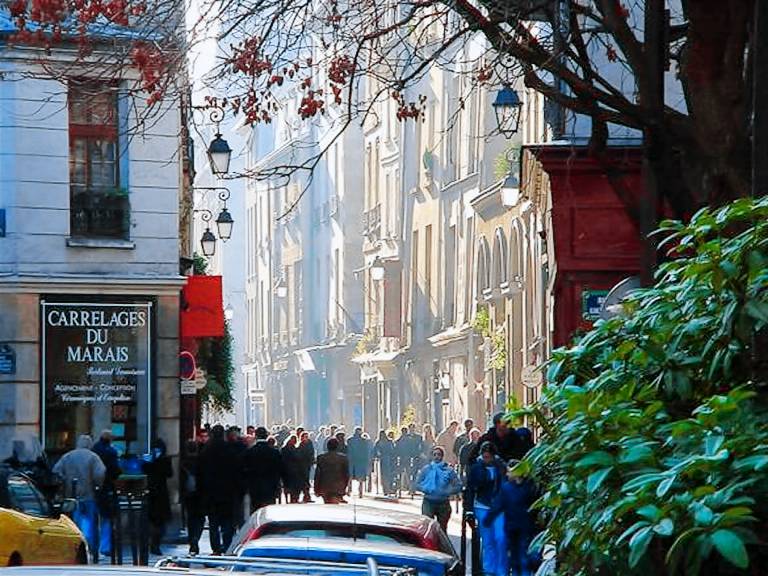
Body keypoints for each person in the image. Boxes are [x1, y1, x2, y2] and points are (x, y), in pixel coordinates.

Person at [53, 435, 106, 559]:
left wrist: (64, 485)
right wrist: (98, 485)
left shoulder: (67, 456)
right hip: (88, 495)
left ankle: (74, 551)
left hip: (71, 496)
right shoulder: (93, 457)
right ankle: (91, 551)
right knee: (91, 526)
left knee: (74, 525)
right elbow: (100, 473)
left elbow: (56, 471)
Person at [485, 461, 538, 576]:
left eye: (509, 472)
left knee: (517, 557)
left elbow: (497, 505)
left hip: (515, 527)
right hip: (523, 526)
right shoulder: (529, 487)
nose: (507, 474)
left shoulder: (508, 488)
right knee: (521, 556)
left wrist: (488, 519)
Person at [464, 441, 508, 576]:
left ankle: (501, 570)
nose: (486, 459)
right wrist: (469, 510)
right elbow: (470, 489)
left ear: (494, 456)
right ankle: (489, 570)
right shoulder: (476, 468)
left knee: (501, 538)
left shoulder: (501, 467)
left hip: (498, 507)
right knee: (487, 540)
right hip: (482, 506)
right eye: (484, 457)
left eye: (488, 457)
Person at [199, 424, 239, 554]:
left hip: (211, 492)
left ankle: (215, 548)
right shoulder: (229, 449)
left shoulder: (206, 450)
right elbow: (236, 471)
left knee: (213, 523)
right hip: (227, 492)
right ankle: (227, 545)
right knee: (227, 522)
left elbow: (201, 472)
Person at [415, 446, 462, 531]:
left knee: (442, 529)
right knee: (428, 528)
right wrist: (425, 489)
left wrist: (447, 492)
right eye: (435, 454)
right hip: (428, 501)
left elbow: (458, 485)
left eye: (439, 454)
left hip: (443, 503)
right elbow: (417, 484)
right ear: (432, 456)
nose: (437, 456)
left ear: (442, 456)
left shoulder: (448, 470)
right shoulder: (426, 469)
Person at [92, 430, 121, 559]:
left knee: (93, 519)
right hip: (107, 488)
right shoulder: (111, 452)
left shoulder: (94, 449)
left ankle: (93, 547)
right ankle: (105, 547)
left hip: (92, 489)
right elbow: (115, 471)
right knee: (106, 518)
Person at [143, 437, 173, 555]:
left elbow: (168, 473)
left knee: (157, 521)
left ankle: (154, 543)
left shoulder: (157, 460)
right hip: (158, 493)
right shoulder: (162, 459)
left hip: (155, 492)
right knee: (158, 522)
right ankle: (154, 544)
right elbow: (169, 473)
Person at [242, 426, 283, 512]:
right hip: (271, 486)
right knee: (269, 511)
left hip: (255, 487)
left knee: (255, 511)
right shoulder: (274, 452)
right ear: (266, 435)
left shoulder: (250, 452)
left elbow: (245, 469)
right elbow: (280, 468)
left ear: (256, 436)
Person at [469, 413, 533, 464]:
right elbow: (472, 458)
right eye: (504, 424)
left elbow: (524, 455)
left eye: (508, 423)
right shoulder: (486, 439)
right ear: (497, 425)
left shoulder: (516, 438)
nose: (506, 427)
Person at [180, 440, 205, 555]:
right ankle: (196, 538)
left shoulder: (183, 463)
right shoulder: (201, 462)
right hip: (200, 493)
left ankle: (192, 541)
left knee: (190, 518)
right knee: (200, 518)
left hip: (188, 494)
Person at [314, 437, 349, 503]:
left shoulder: (321, 458)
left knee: (327, 505)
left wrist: (316, 489)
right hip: (338, 487)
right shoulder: (343, 458)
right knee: (334, 506)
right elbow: (346, 475)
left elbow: (317, 474)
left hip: (324, 487)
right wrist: (344, 487)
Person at [226, 426, 248, 528]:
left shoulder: (226, 447)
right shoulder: (243, 447)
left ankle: (233, 523)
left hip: (229, 482)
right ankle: (239, 523)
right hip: (240, 481)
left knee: (232, 505)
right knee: (239, 505)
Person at [346, 427, 371, 498]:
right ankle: (360, 492)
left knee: (350, 476)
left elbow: (348, 450)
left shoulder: (350, 440)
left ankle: (349, 490)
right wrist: (367, 460)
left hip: (352, 460)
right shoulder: (364, 441)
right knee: (360, 478)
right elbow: (366, 451)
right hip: (360, 461)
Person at [280, 434, 303, 503]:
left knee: (291, 485)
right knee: (288, 485)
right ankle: (289, 499)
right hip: (287, 470)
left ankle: (292, 498)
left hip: (292, 470)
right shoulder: (285, 449)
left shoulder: (295, 449)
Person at [373, 430, 397, 496]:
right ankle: (389, 488)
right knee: (388, 475)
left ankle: (386, 489)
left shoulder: (378, 442)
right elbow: (393, 450)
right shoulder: (389, 441)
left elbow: (375, 451)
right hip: (389, 460)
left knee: (384, 475)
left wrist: (377, 456)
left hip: (383, 460)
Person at [296, 431, 315, 502]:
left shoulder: (310, 443)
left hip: (308, 464)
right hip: (302, 465)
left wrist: (312, 460)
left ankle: (307, 496)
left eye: (307, 437)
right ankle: (306, 495)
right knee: (304, 481)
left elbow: (312, 452)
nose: (306, 438)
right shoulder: (301, 445)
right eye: (305, 437)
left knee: (307, 480)